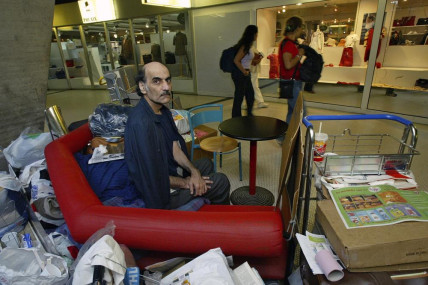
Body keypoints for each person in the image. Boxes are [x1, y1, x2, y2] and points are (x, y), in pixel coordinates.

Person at [124, 62, 230, 209]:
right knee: (220, 181)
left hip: (169, 173)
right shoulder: (141, 124)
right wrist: (187, 182)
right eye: (157, 81)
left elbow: (175, 148)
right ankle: (220, 223)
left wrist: (194, 172)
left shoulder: (163, 110)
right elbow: (154, 177)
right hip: (161, 193)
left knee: (205, 163)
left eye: (168, 80)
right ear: (143, 87)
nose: (166, 87)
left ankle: (206, 205)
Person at [279, 16, 306, 130]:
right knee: (300, 112)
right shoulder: (288, 44)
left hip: (293, 81)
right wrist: (299, 54)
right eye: (302, 28)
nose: (302, 30)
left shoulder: (291, 43)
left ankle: (285, 138)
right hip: (291, 83)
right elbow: (288, 64)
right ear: (297, 28)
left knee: (292, 111)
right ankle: (288, 138)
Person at [231, 25, 258, 117]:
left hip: (245, 73)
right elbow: (236, 60)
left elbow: (246, 60)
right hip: (240, 74)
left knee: (250, 95)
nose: (257, 35)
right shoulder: (245, 46)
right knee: (239, 96)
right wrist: (244, 71)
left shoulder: (249, 45)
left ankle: (249, 114)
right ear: (253, 34)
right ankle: (236, 117)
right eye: (256, 33)